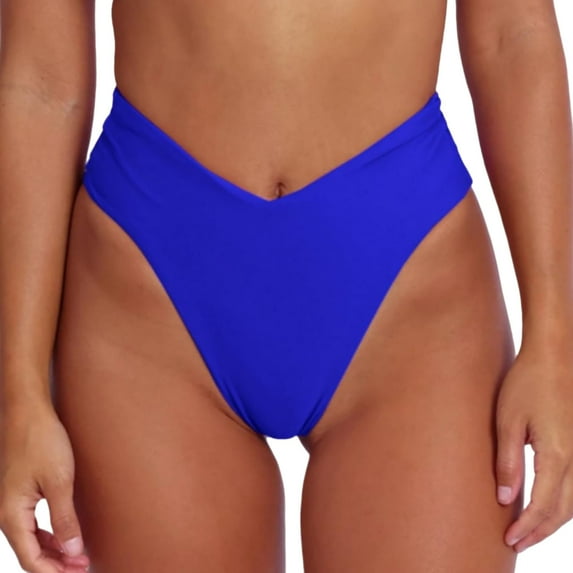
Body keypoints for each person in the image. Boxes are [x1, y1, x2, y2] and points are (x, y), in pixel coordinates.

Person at [0, 0, 572, 571]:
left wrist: (555, 346)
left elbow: (513, 35)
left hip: (411, 286)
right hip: (148, 293)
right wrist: (18, 394)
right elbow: (40, 81)